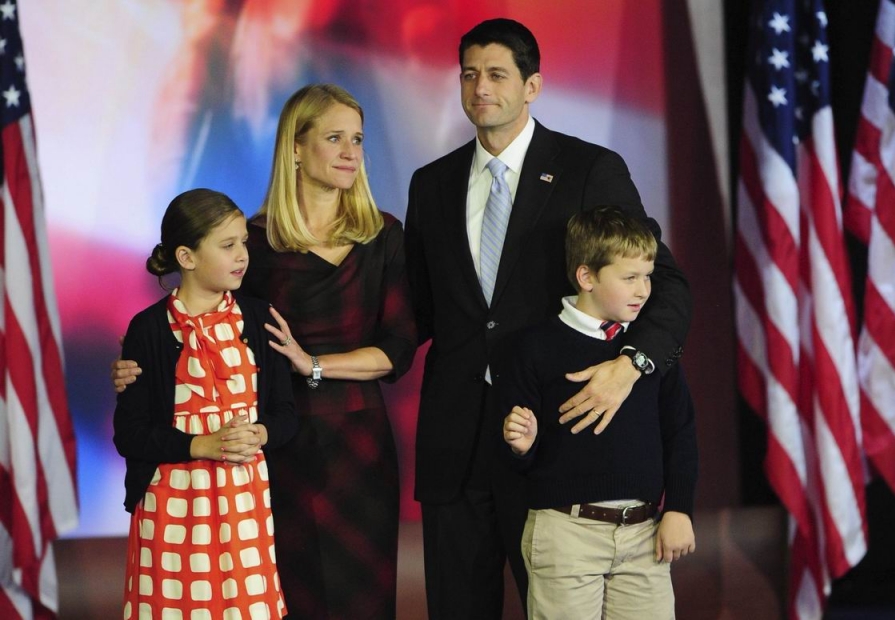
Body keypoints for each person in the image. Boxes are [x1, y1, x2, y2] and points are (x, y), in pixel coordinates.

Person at [404, 17, 692, 618]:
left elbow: (664, 283)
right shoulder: (429, 185)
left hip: (555, 441)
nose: (481, 87)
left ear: (532, 86)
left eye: (498, 74)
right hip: (455, 444)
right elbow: (421, 311)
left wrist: (633, 364)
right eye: (470, 74)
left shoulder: (590, 168)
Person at [114, 84, 417, 619]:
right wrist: (142, 368)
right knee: (278, 597)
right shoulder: (251, 242)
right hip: (272, 449)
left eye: (358, 139)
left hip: (360, 445)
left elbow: (399, 348)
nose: (351, 151)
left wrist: (314, 364)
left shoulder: (385, 236)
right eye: (334, 138)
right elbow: (202, 325)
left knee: (364, 601)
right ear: (295, 148)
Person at [502, 205, 698, 619]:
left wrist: (678, 508)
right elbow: (518, 457)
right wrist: (521, 445)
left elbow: (680, 431)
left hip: (645, 536)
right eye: (629, 278)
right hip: (566, 534)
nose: (644, 290)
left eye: (647, 276)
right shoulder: (533, 347)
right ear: (587, 277)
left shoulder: (653, 350)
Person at [113, 188, 298, 619]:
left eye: (243, 244)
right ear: (187, 256)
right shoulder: (149, 329)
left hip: (243, 504)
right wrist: (201, 445)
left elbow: (287, 414)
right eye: (227, 245)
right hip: (173, 502)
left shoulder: (257, 317)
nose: (241, 256)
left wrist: (262, 432)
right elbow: (130, 433)